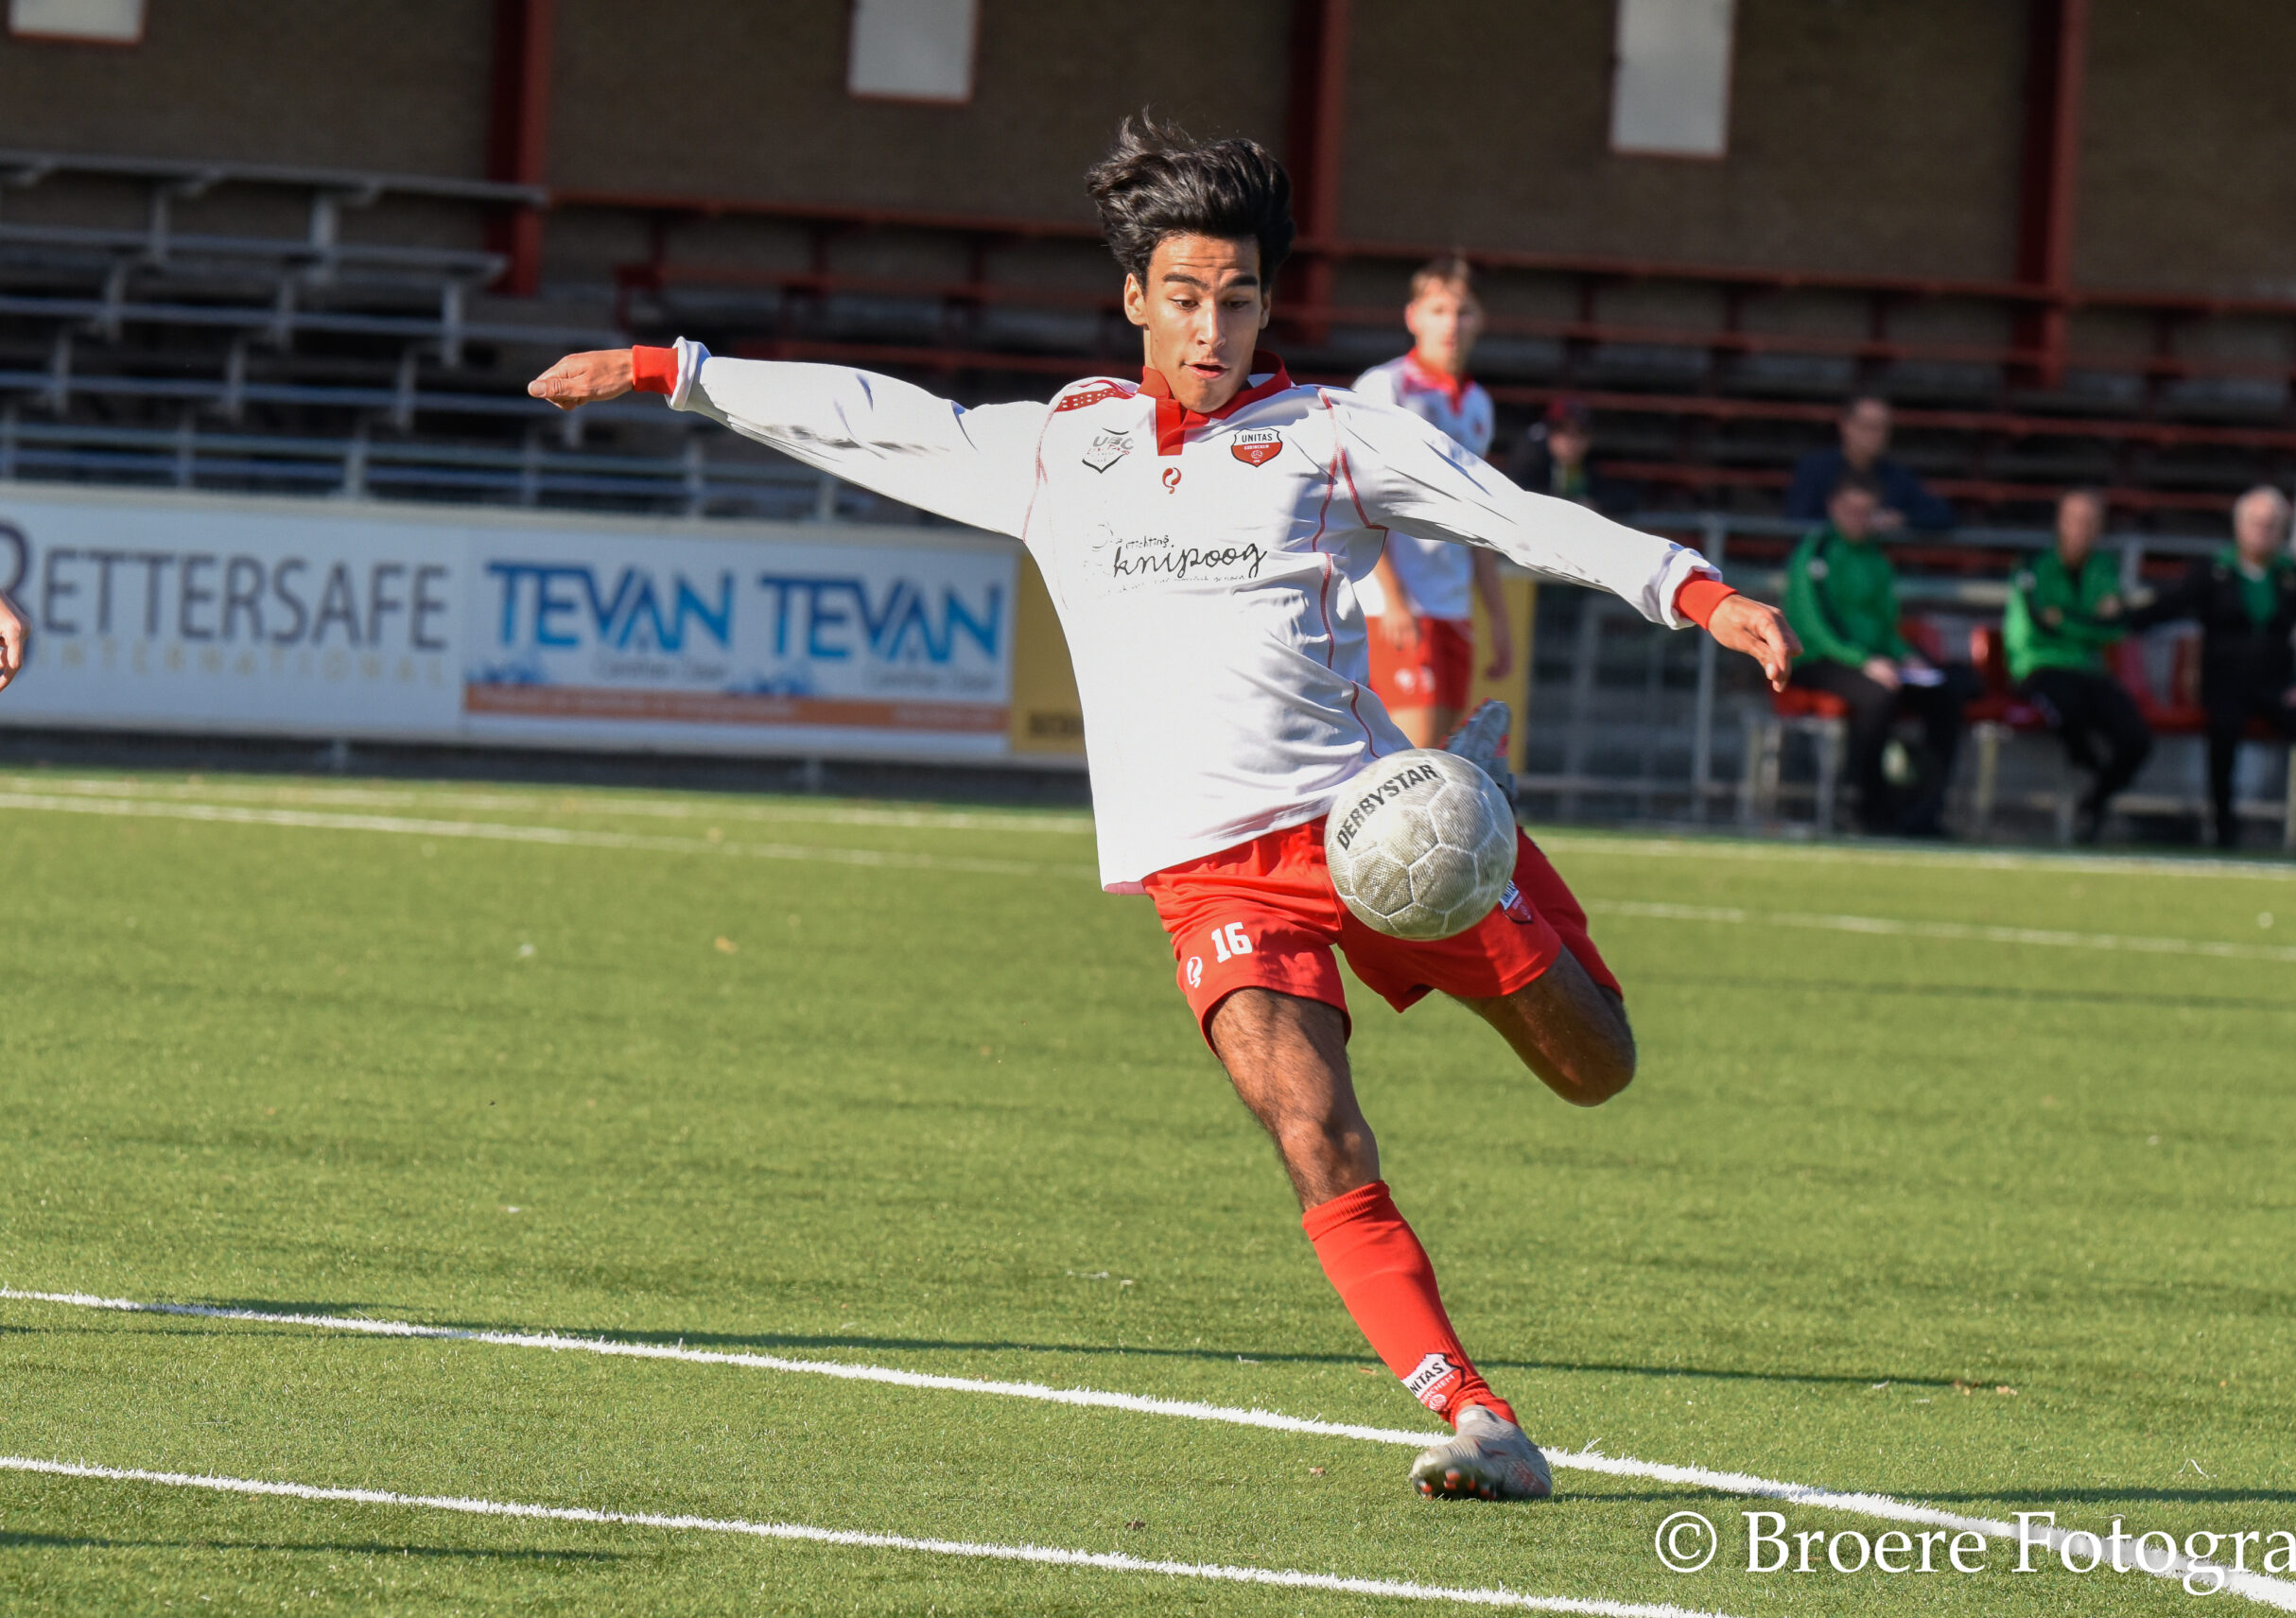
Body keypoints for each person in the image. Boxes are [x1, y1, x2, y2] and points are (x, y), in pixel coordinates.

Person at [529, 115, 1799, 1502]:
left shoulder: (1329, 436)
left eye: (1238, 299)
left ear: (1266, 305)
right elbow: (886, 417)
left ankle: (1471, 805)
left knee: (1595, 1066)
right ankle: (1475, 1413)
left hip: (1374, 832)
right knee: (1311, 1127)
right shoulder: (1067, 444)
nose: (1212, 328)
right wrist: (677, 370)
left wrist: (1695, 591)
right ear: (1135, 296)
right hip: (1209, 873)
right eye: (1185, 297)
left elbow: (1510, 512)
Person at [2132, 485, 2296, 850]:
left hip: (2277, 688)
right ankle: (2224, 829)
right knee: (2224, 727)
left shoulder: (2292, 577)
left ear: (2282, 531)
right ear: (2239, 526)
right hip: (2225, 686)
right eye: (2256, 523)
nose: (2263, 532)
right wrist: (2113, 617)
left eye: (2271, 525)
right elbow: (2163, 608)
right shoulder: (2214, 571)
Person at [1351, 258, 1513, 747]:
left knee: (1438, 757)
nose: (1451, 324)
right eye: (1438, 310)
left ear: (1480, 320)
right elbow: (1361, 499)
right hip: (1397, 607)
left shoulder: (1479, 403)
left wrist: (1497, 617)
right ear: (1413, 316)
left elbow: (1479, 518)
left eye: (1463, 311)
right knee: (1413, 761)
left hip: (1451, 606)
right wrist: (1393, 598)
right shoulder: (1386, 388)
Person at [1783, 472, 1972, 836]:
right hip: (1817, 659)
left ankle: (1924, 809)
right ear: (1833, 507)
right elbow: (1817, 625)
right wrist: (1865, 662)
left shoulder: (1875, 557)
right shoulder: (1816, 553)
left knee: (1944, 696)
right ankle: (1866, 804)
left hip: (1873, 659)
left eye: (1866, 512)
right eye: (1851, 510)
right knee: (1879, 695)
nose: (1858, 520)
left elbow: (1886, 624)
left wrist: (1905, 655)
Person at [2004, 489, 2150, 843]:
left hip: (2088, 669)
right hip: (2041, 666)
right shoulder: (2033, 566)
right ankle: (2085, 798)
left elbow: (2115, 627)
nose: (2082, 529)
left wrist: (2067, 620)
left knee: (2136, 736)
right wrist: (2089, 622)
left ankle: (2095, 800)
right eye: (2075, 520)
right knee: (2070, 713)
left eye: (2090, 522)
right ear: (2060, 522)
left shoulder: (2103, 568)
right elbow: (2042, 623)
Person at [1783, 394, 1954, 532]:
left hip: (1876, 561)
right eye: (1866, 426)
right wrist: (1847, 524)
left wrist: (1901, 519)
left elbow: (1942, 515)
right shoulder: (1815, 469)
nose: (1873, 436)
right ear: (1845, 426)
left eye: (1880, 428)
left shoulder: (1897, 475)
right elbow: (1796, 519)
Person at [1508, 397, 1634, 514]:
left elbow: (1625, 499)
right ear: (1549, 434)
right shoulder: (1531, 461)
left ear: (1589, 438)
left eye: (1580, 432)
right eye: (1562, 430)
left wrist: (1595, 504)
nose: (1571, 440)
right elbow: (1520, 499)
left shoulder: (1596, 463)